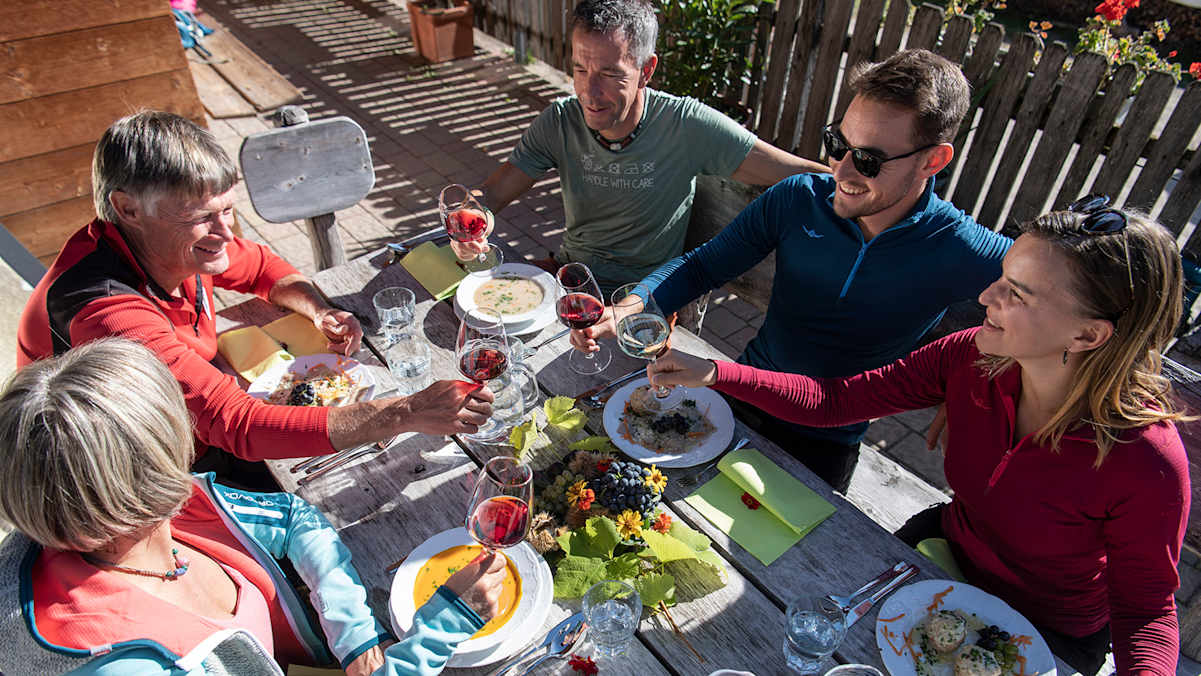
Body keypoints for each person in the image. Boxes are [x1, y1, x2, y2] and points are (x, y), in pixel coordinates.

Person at [646, 202, 1190, 676]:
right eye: (1001, 276)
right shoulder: (972, 356)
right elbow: (837, 401)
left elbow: (1146, 613)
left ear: (1088, 334)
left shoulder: (1147, 461)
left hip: (1049, 633)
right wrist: (717, 373)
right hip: (942, 558)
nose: (986, 295)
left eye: (1016, 293)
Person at [573, 48, 1014, 491]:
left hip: (828, 439)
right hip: (740, 397)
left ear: (932, 161)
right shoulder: (800, 197)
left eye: (868, 161)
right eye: (837, 144)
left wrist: (979, 384)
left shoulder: (961, 246)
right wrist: (633, 305)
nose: (839, 170)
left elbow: (1066, 313)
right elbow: (703, 266)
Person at [16, 111, 492, 477]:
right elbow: (235, 424)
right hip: (127, 475)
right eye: (203, 217)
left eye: (228, 211)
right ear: (128, 209)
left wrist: (319, 308)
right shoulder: (104, 312)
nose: (225, 233)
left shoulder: (160, 242)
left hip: (190, 430)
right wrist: (406, 411)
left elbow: (261, 266)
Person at [0, 337, 507, 676]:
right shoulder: (136, 662)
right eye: (178, 424)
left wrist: (351, 633)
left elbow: (292, 517)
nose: (193, 433)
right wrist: (443, 627)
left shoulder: (155, 508)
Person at [451, 0, 828, 292]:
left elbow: (794, 171)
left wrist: (864, 178)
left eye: (610, 74)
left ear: (646, 71)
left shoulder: (687, 125)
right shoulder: (560, 121)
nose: (589, 92)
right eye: (580, 69)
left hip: (645, 297)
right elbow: (494, 192)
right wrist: (468, 228)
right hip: (571, 279)